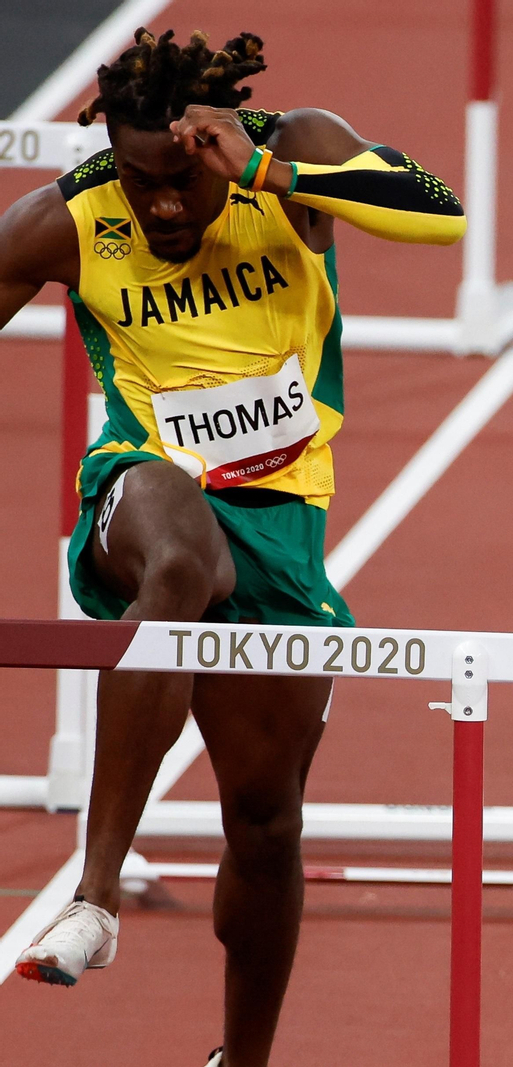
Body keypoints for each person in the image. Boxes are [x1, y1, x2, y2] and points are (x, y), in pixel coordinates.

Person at [0, 29, 464, 1066]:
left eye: (178, 182)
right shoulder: (71, 219)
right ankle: (95, 898)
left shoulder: (287, 156)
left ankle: (241, 1061)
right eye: (137, 181)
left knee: (266, 819)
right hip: (144, 487)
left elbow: (441, 214)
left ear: (213, 146)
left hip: (283, 526)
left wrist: (268, 173)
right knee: (179, 556)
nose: (160, 205)